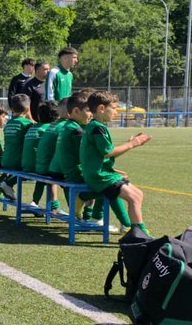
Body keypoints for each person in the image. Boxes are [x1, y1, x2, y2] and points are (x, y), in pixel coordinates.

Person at [82, 91, 151, 235]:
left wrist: (129, 143)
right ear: (101, 108)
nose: (116, 112)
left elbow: (105, 153)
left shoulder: (96, 126)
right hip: (100, 177)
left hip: (102, 173)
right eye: (113, 108)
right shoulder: (97, 128)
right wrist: (132, 143)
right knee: (133, 197)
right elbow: (108, 152)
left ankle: (139, 231)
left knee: (138, 194)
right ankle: (140, 234)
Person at [54, 89, 98, 223]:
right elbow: (88, 155)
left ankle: (86, 215)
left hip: (62, 170)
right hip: (72, 172)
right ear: (76, 111)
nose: (91, 114)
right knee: (108, 185)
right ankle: (95, 218)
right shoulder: (76, 130)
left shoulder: (66, 126)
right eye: (89, 111)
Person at [21, 100, 59, 210]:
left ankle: (35, 201)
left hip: (27, 164)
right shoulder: (49, 128)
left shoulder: (33, 126)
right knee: (54, 173)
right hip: (37, 166)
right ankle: (56, 205)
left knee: (43, 176)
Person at [0, 93, 33, 202]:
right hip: (17, 162)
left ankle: (4, 184)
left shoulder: (8, 123)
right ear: (28, 109)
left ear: (12, 109)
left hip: (5, 160)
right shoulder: (27, 124)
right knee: (32, 171)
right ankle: (7, 183)